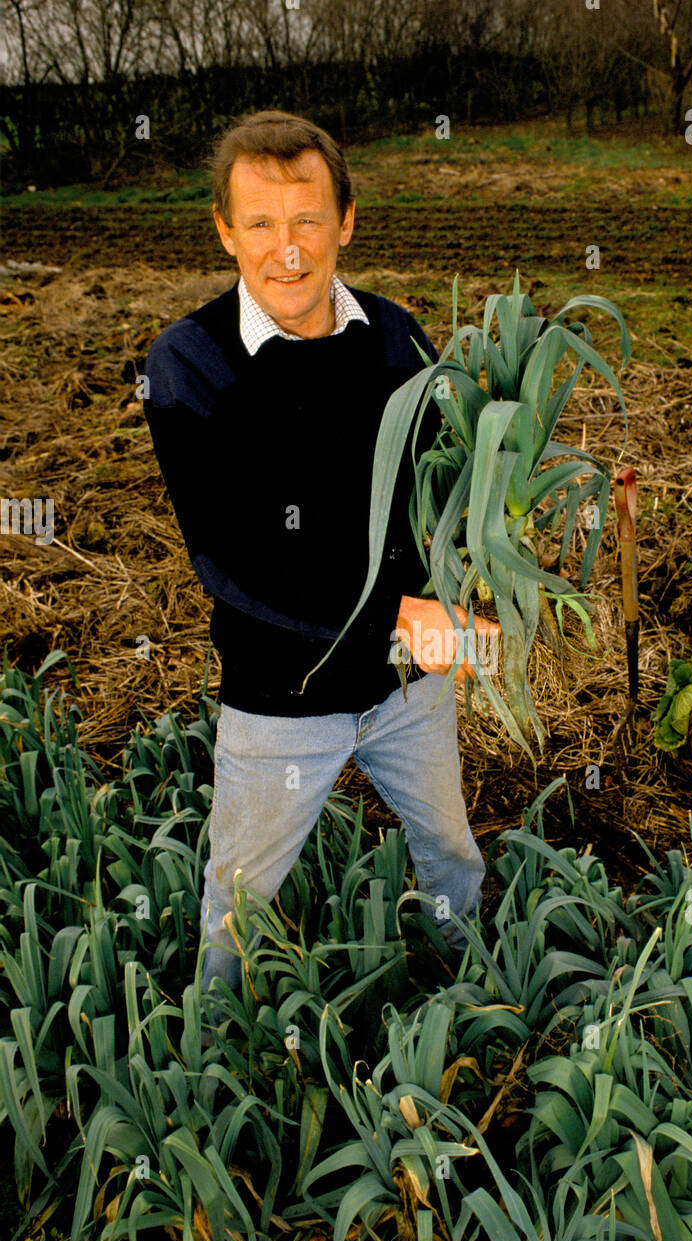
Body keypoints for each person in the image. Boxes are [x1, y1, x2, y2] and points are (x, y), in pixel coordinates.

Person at [141, 110, 497, 1015]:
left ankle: (467, 994)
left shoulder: (396, 336)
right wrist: (394, 618)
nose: (286, 249)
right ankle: (213, 1053)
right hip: (280, 702)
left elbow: (439, 488)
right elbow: (234, 559)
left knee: (450, 851)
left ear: (346, 220)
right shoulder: (191, 362)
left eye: (307, 220)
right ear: (225, 230)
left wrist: (517, 496)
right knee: (241, 899)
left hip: (408, 690)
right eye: (259, 223)